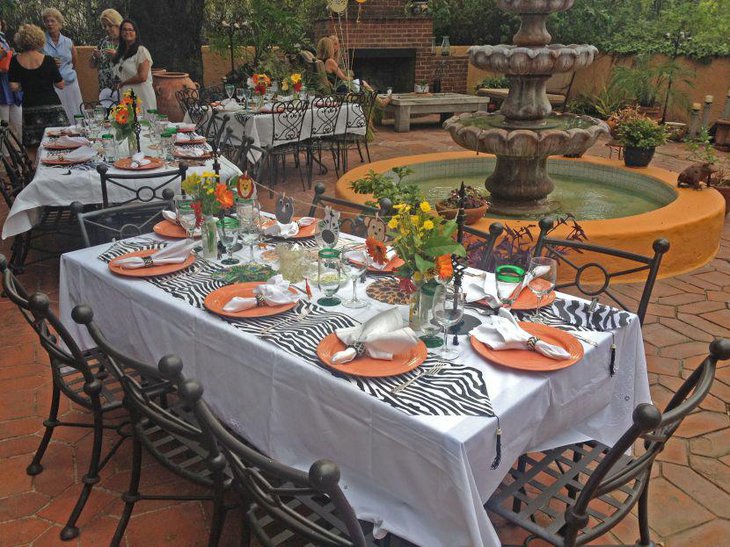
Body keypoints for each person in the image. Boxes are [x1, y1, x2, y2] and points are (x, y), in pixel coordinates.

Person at [8, 24, 66, 147]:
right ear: (39, 39)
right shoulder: (49, 60)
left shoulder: (15, 60)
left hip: (30, 106)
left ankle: (33, 167)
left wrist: (26, 85)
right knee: (58, 143)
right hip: (51, 105)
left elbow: (13, 87)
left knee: (33, 146)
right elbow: (60, 84)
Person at [41, 7, 82, 122]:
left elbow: (74, 60)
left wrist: (69, 71)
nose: (49, 24)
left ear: (59, 23)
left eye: (52, 21)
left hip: (70, 81)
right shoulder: (41, 41)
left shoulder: (68, 41)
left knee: (75, 111)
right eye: (47, 21)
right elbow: (38, 61)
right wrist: (49, 64)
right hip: (53, 83)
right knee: (59, 114)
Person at [113, 19, 157, 112]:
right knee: (128, 123)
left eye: (130, 30)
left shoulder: (141, 51)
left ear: (136, 33)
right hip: (127, 96)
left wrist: (123, 83)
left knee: (145, 123)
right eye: (124, 30)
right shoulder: (120, 53)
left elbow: (142, 77)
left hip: (142, 96)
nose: (127, 32)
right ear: (121, 33)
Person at [89, 8, 122, 107]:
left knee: (122, 118)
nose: (107, 29)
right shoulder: (103, 42)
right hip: (104, 89)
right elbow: (91, 65)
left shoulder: (125, 42)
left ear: (118, 24)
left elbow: (132, 65)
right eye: (104, 26)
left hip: (121, 88)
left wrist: (116, 56)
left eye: (110, 25)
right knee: (107, 118)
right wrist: (95, 56)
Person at [0, 17, 23, 140]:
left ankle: (24, 150)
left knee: (19, 122)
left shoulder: (3, 40)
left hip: (10, 83)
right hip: (1, 87)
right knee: (3, 124)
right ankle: (7, 156)